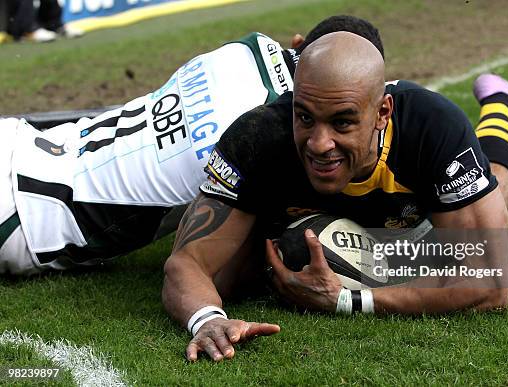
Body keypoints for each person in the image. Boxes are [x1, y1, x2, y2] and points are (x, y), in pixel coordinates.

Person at [161, 32, 508, 362]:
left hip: (418, 221)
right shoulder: (258, 137)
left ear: (383, 113)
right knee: (230, 278)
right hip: (336, 223)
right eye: (305, 117)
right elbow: (187, 264)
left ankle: (501, 107)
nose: (320, 143)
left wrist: (348, 301)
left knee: (497, 200)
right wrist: (207, 320)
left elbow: (492, 286)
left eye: (342, 122)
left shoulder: (432, 127)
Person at [0, 15, 386, 275]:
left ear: (299, 43)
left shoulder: (245, 48)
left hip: (23, 139)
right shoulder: (273, 129)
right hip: (29, 217)